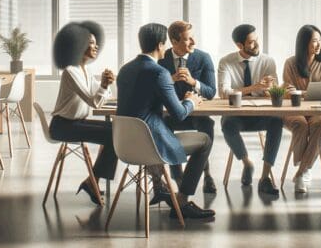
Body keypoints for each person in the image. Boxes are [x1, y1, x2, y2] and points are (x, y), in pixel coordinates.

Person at [116, 23, 214, 220]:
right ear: (162, 45)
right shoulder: (159, 72)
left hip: (124, 145)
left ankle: (165, 187)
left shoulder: (125, 69)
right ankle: (183, 200)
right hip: (151, 144)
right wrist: (191, 101)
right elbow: (178, 114)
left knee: (186, 128)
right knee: (204, 140)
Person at [49, 21, 118, 206]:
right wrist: (103, 85)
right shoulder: (70, 72)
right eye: (91, 42)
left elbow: (104, 96)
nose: (96, 47)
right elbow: (94, 101)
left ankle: (92, 181)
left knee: (117, 130)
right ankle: (93, 182)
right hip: (62, 126)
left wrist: (106, 84)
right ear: (78, 44)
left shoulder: (85, 70)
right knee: (114, 133)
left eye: (96, 43)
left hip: (77, 123)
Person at [218, 24, 283, 196]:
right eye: (251, 42)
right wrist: (253, 87)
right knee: (227, 124)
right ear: (240, 45)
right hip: (237, 115)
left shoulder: (267, 61)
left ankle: (265, 177)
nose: (256, 45)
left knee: (277, 121)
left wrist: (271, 89)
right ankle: (247, 163)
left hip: (261, 113)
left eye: (256, 40)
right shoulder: (226, 62)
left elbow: (274, 91)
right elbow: (224, 93)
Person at [157, 20, 218, 194]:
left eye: (193, 37)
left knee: (207, 125)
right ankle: (178, 178)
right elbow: (154, 90)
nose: (193, 42)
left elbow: (211, 92)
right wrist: (171, 79)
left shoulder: (203, 57)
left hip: (196, 114)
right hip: (173, 115)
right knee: (164, 125)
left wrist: (194, 82)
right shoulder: (161, 60)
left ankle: (206, 174)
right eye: (188, 39)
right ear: (174, 42)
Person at [282, 25, 321, 193]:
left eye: (320, 40)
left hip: (317, 109)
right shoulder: (291, 63)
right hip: (294, 110)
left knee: (320, 124)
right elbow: (288, 90)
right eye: (314, 41)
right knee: (301, 124)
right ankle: (305, 169)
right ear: (304, 42)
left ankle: (301, 171)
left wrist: (302, 93)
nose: (318, 44)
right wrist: (306, 92)